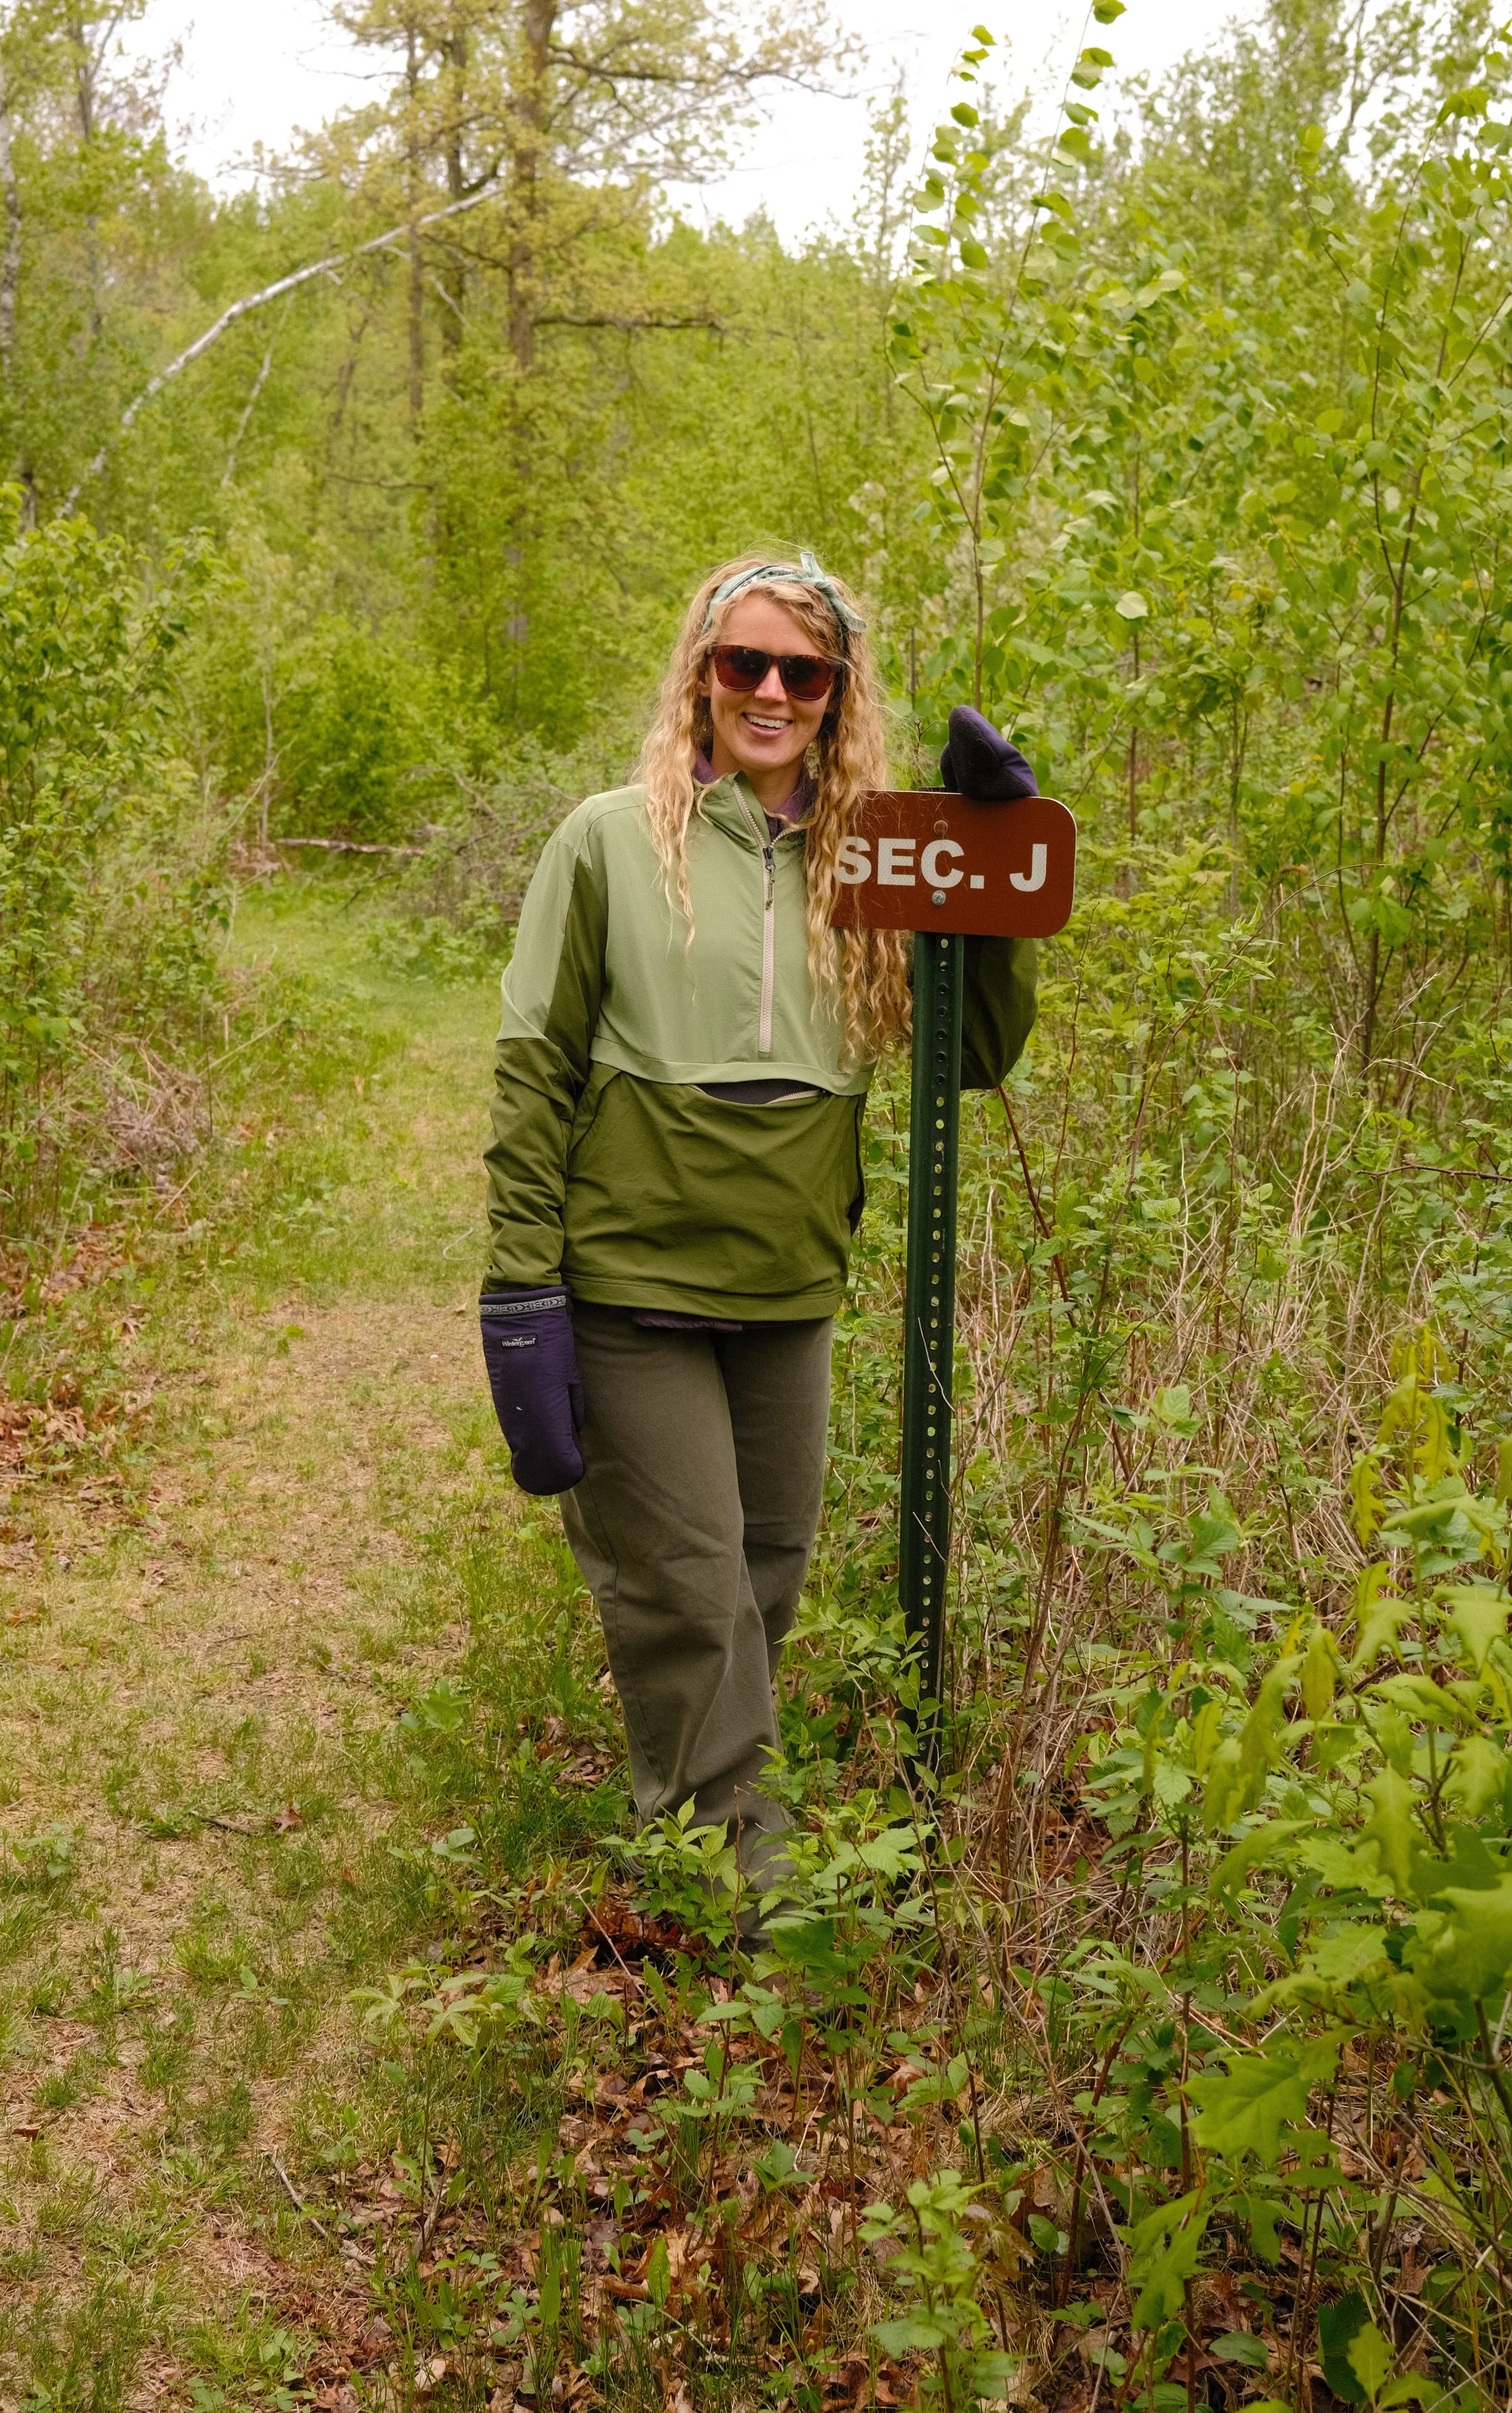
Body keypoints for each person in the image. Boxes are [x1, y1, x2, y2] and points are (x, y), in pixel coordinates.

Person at [479, 550, 1039, 1920]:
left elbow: (969, 1054)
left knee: (763, 1572)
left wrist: (993, 869)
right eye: (745, 664)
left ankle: (690, 1820)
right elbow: (533, 1063)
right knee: (688, 1589)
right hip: (629, 1280)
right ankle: (746, 1894)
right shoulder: (611, 838)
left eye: (803, 670)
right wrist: (518, 1292)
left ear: (838, 694)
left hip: (790, 1283)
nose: (771, 691)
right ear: (701, 676)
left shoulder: (873, 855)